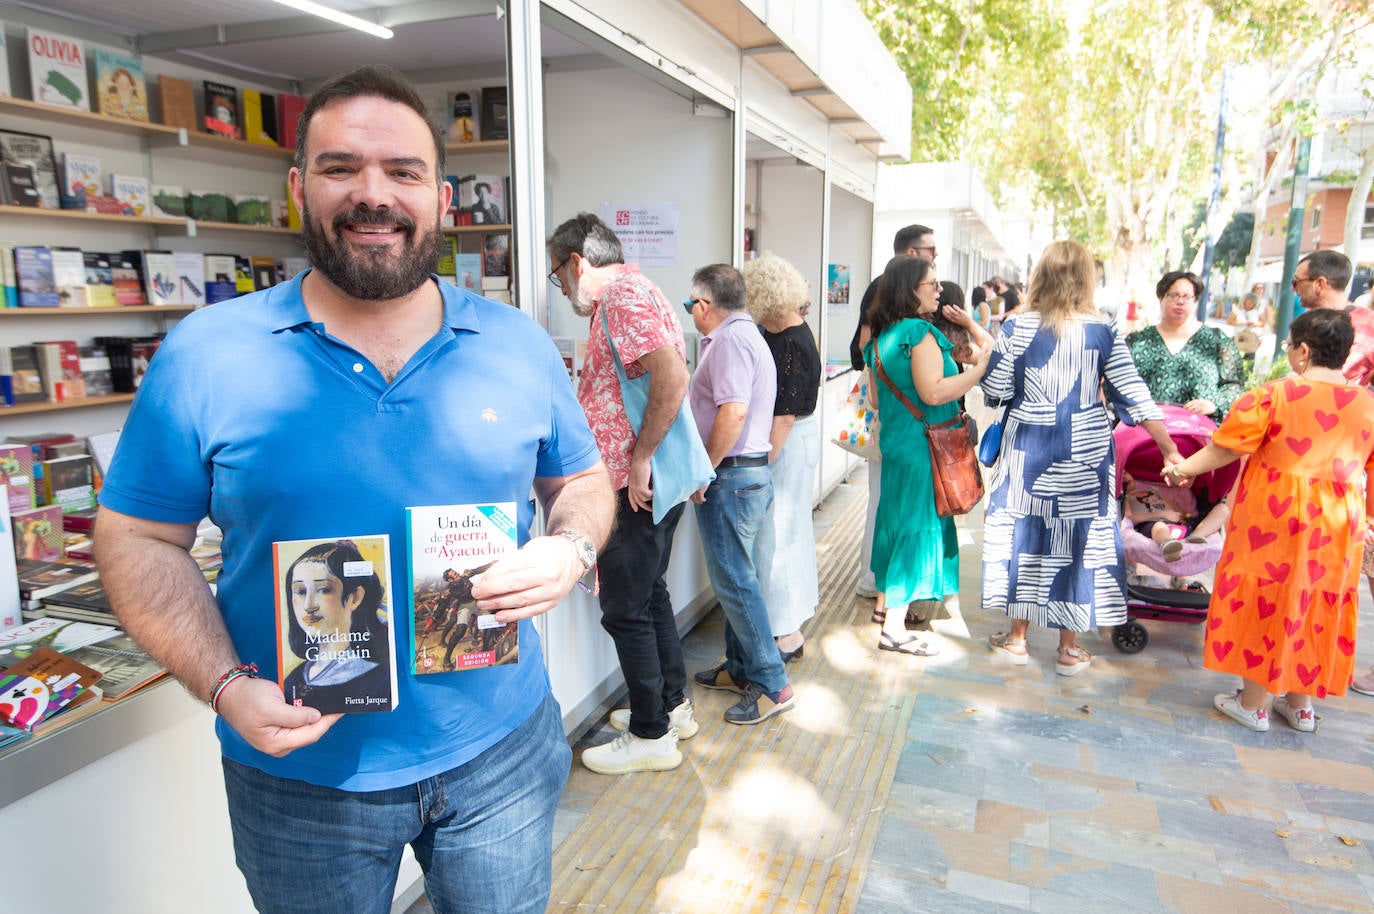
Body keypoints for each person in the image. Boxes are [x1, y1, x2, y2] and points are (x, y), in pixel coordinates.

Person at [93, 66, 614, 914]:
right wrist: (224, 686)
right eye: (342, 168)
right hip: (298, 774)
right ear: (299, 188)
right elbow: (136, 537)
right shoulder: (206, 354)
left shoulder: (516, 344)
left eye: (402, 172)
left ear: (440, 197)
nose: (374, 195)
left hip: (501, 753)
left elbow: (583, 479)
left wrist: (571, 545)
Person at [1164, 308, 1374, 731]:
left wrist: (1184, 468)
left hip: (1275, 517)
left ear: (1303, 350)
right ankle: (1300, 707)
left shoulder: (1273, 395)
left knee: (1268, 599)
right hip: (1337, 523)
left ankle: (1254, 703)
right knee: (1315, 600)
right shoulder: (1367, 404)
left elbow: (1226, 447)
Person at [982, 240, 1181, 675]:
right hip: (1085, 448)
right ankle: (1069, 650)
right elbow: (1135, 394)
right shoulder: (1103, 329)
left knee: (1026, 534)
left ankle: (1017, 638)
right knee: (1074, 541)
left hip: (1027, 447)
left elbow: (995, 391)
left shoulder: (1016, 328)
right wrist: (1168, 448)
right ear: (1087, 279)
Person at [546, 212, 698, 775]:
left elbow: (672, 377)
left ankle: (650, 733)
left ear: (577, 263)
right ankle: (670, 706)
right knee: (649, 595)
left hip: (632, 487)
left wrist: (639, 459)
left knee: (626, 609)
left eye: (558, 276)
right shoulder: (641, 290)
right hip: (646, 485)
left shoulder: (621, 300)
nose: (561, 290)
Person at [864, 256, 991, 656]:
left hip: (899, 448)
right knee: (915, 533)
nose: (939, 290)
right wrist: (979, 371)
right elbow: (934, 392)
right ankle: (896, 629)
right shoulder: (920, 333)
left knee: (896, 525)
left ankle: (886, 611)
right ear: (910, 289)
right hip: (925, 449)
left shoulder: (882, 338)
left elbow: (874, 399)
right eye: (931, 284)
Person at [686, 263, 794, 725]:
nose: (691, 312)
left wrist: (703, 470)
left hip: (730, 476)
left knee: (736, 583)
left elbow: (732, 413)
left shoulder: (729, 341)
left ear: (705, 306)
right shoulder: (749, 335)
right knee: (739, 579)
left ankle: (772, 685)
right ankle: (740, 668)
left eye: (691, 305)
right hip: (747, 475)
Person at [1292, 251, 1374, 695]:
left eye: (1298, 281)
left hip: (1348, 469)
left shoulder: (1368, 324)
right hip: (1299, 470)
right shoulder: (1306, 328)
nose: (1296, 289)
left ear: (1320, 283)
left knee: (1357, 573)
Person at [847, 224, 937, 601]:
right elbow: (865, 348)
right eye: (931, 250)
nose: (936, 257)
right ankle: (874, 578)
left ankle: (883, 580)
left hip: (902, 411)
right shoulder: (885, 290)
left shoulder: (909, 304)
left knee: (892, 497)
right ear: (912, 254)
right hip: (892, 411)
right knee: (883, 496)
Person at [742, 253, 821, 663]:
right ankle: (788, 623)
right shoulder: (785, 332)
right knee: (787, 536)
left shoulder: (790, 341)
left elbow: (784, 415)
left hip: (786, 444)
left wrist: (761, 463)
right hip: (793, 441)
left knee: (778, 537)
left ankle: (785, 634)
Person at [281, 540, 390, 711]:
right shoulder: (294, 680)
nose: (309, 606)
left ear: (355, 597)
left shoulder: (382, 677)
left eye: (323, 589)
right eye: (301, 591)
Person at [1126, 270, 1245, 424]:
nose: (1180, 301)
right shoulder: (1137, 342)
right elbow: (1116, 385)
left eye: (1187, 297)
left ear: (1195, 301)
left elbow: (1235, 387)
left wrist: (1213, 404)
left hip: (1200, 436)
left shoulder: (1217, 341)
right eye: (1173, 295)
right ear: (1161, 298)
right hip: (1144, 435)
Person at [1120, 473, 1229, 562]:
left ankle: (1194, 537)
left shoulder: (1153, 490)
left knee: (1222, 509)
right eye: (1121, 477)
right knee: (1159, 526)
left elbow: (1178, 510)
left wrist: (1183, 515)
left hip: (1180, 524)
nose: (1124, 477)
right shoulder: (1127, 497)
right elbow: (1130, 518)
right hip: (1153, 524)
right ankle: (1168, 545)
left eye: (1125, 473)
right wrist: (1161, 515)